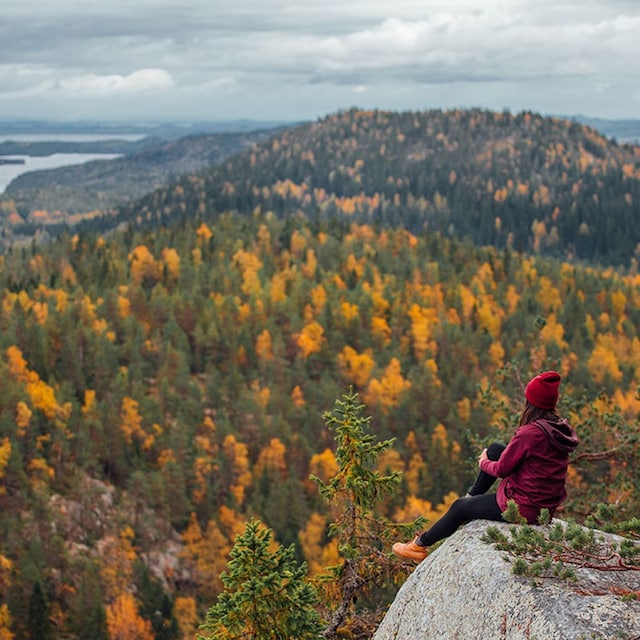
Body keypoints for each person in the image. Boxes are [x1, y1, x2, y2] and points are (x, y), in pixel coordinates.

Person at [392, 370, 579, 563]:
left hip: (524, 507)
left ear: (531, 403)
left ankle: (419, 546)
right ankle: (472, 499)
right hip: (544, 505)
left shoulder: (531, 433)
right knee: (496, 449)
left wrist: (483, 462)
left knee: (458, 507)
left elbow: (501, 470)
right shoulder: (556, 428)